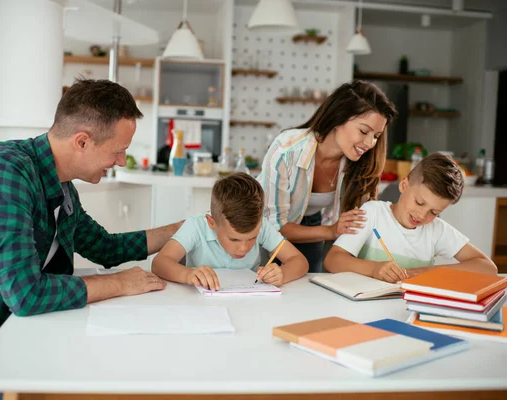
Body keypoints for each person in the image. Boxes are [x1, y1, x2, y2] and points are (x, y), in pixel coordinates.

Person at [0, 79, 181, 400]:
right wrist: (119, 284)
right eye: (118, 151)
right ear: (82, 141)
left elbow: (105, 247)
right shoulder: (3, 172)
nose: (121, 161)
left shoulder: (61, 186)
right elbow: (26, 294)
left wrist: (183, 229)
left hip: (0, 333)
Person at [258, 80, 398, 273]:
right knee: (269, 284)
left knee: (310, 287)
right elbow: (276, 226)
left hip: (313, 222)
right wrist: (331, 230)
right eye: (364, 131)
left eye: (376, 136)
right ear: (339, 118)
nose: (369, 143)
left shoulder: (362, 165)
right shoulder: (286, 150)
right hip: (264, 226)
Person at [324, 153, 497, 282]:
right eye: (419, 202)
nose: (422, 215)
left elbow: (488, 267)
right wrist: (374, 269)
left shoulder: (436, 230)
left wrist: (422, 272)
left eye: (434, 212)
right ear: (404, 185)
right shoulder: (372, 213)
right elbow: (333, 260)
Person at [152, 172, 308, 290]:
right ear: (212, 222)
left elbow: (299, 261)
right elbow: (159, 263)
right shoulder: (196, 226)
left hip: (249, 303)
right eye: (234, 239)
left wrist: (282, 274)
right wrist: (188, 274)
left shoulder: (263, 225)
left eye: (252, 238)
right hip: (202, 306)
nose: (243, 248)